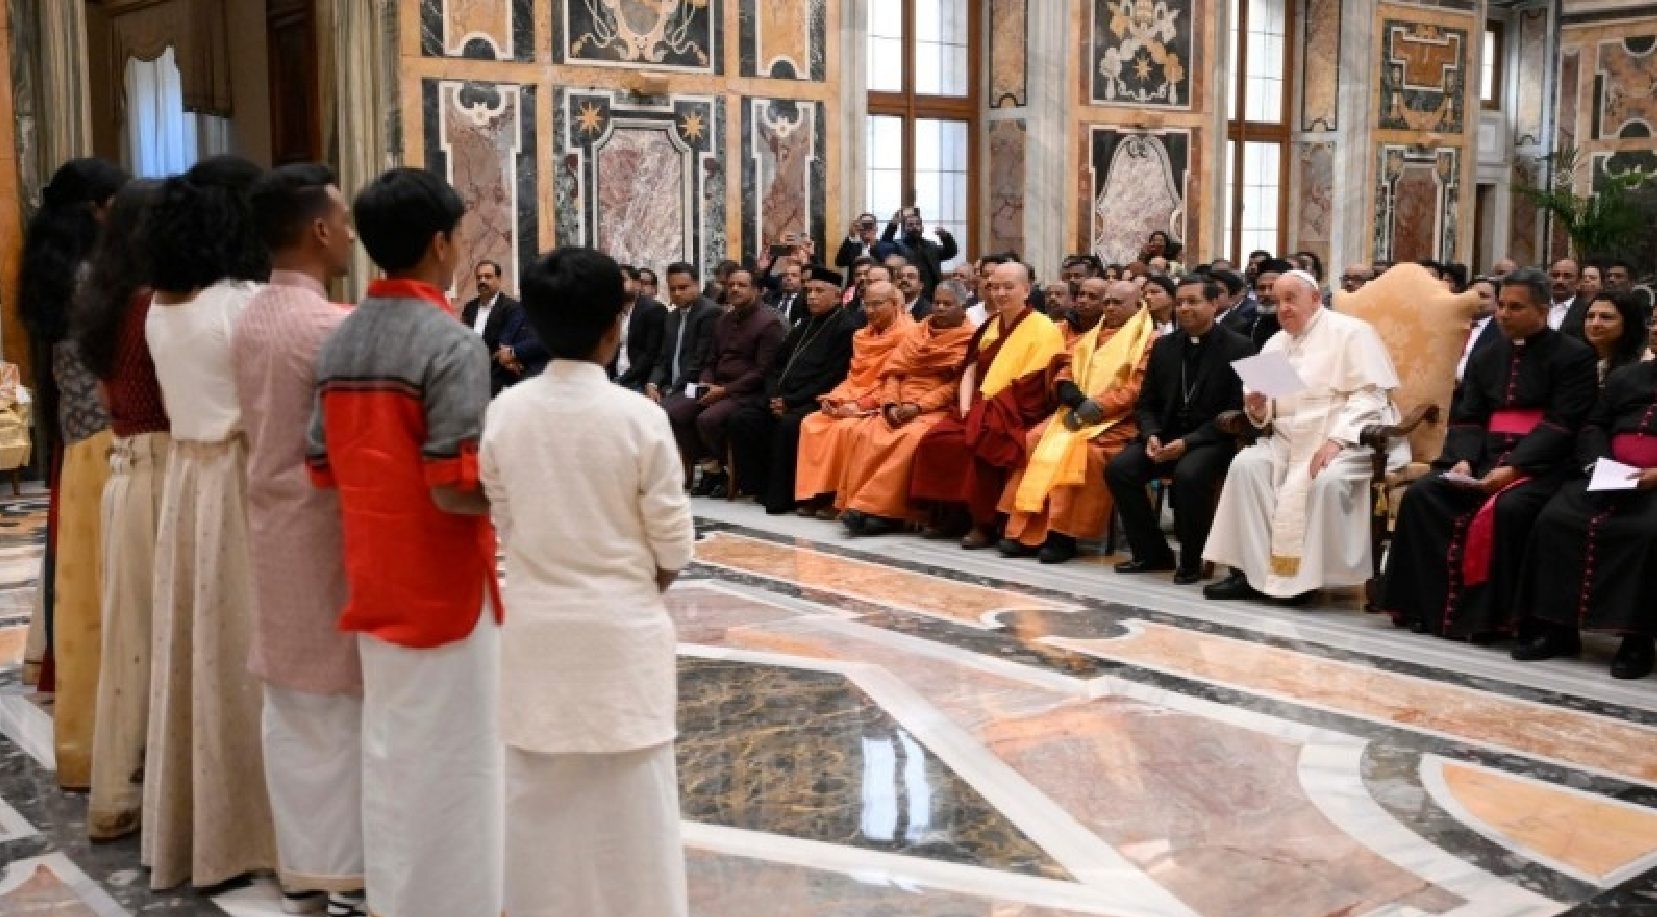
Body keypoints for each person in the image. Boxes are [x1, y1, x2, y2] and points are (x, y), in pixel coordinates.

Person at [307, 167, 503, 917]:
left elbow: (322, 465)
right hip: (443, 580)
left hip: (370, 571)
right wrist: (521, 492)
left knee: (391, 750)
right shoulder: (452, 344)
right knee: (460, 758)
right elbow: (454, 487)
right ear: (440, 244)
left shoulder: (341, 336)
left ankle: (396, 895)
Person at [481, 247, 694, 917]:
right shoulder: (639, 417)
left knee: (538, 800)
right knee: (633, 807)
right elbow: (673, 543)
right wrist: (634, 582)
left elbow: (504, 518)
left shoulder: (506, 413)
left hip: (535, 628)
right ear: (614, 326)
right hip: (621, 632)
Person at [142, 155, 278, 889]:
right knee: (246, 651)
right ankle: (255, 830)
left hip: (187, 480)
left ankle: (202, 825)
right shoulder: (242, 305)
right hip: (238, 477)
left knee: (198, 651)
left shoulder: (161, 308)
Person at [234, 163, 365, 914]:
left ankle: (305, 864)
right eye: (343, 220)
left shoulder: (249, 317)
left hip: (268, 522)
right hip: (324, 529)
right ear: (319, 229)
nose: (349, 233)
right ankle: (345, 870)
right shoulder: (329, 325)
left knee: (290, 707)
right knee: (339, 706)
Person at [1379, 268, 1598, 639]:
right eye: (1502, 306)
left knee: (1509, 509)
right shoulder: (1487, 356)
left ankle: (1492, 620)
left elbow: (1563, 423)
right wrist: (1463, 458)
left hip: (1542, 465)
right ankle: (1425, 608)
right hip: (1483, 458)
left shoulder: (1574, 356)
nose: (1504, 314)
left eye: (1516, 307)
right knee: (1423, 495)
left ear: (1542, 310)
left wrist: (1514, 468)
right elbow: (1469, 416)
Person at [18, 158, 128, 788]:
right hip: (106, 439)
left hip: (76, 436)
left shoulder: (54, 272)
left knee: (80, 574)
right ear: (97, 209)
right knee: (102, 580)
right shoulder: (95, 278)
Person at [1203, 269, 1405, 602]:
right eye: (1276, 301)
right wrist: (1257, 407)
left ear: (1315, 298)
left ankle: (1306, 580)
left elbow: (1371, 396)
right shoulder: (1276, 342)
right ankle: (1252, 573)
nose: (1282, 308)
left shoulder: (1352, 333)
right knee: (1246, 467)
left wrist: (1337, 440)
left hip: (1347, 440)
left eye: (1290, 299)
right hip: (1287, 440)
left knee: (1326, 481)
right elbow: (1269, 409)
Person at [69, 178, 163, 838]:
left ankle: (124, 785)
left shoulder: (103, 303)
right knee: (160, 635)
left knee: (129, 635)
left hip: (123, 469)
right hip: (160, 471)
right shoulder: (153, 308)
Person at [1512, 358, 1657, 679]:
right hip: (1608, 475)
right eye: (1655, 329)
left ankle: (1637, 640)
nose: (1656, 333)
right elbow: (1594, 425)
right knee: (1555, 520)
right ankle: (1557, 630)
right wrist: (1599, 463)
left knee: (1646, 532)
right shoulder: (1626, 375)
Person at [1108, 275, 1256, 583]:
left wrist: (1189, 442)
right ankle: (1152, 553)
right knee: (1119, 469)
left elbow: (1238, 411)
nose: (1184, 308)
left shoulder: (1241, 346)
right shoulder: (1164, 346)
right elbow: (1146, 403)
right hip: (1164, 437)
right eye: (1180, 303)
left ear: (1214, 304)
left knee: (1189, 475)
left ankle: (1191, 559)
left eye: (1193, 301)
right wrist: (1151, 435)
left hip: (1212, 440)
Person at [908, 261, 1066, 547]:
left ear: (1026, 290)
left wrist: (986, 409)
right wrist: (966, 407)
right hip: (978, 404)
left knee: (981, 444)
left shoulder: (1044, 329)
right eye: (995, 287)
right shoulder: (991, 326)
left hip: (1014, 410)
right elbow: (970, 369)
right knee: (936, 439)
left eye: (1009, 287)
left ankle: (984, 522)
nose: (1000, 293)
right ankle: (950, 514)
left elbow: (1033, 387)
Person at [998, 280, 1155, 563]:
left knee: (1081, 454)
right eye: (1107, 302)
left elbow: (1138, 388)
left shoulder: (1149, 340)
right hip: (1075, 412)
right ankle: (1024, 530)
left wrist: (1098, 407)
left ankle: (1062, 535)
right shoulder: (1091, 335)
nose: (1110, 308)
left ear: (1137, 304)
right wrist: (1070, 394)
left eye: (1117, 303)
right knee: (1034, 440)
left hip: (1117, 421)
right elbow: (1066, 369)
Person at [838, 283, 978, 536]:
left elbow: (955, 386)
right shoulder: (918, 331)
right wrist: (891, 403)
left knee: (910, 439)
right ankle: (863, 506)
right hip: (899, 402)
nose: (940, 309)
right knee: (867, 432)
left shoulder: (970, 338)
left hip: (935, 408)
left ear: (962, 307)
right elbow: (894, 372)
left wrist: (918, 406)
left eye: (948, 304)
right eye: (937, 303)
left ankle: (881, 512)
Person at [727, 265, 856, 513]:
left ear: (837, 295)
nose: (812, 297)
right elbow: (776, 365)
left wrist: (791, 401)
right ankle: (758, 486)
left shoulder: (846, 328)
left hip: (813, 399)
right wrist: (774, 395)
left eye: (819, 291)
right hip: (781, 397)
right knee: (742, 419)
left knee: (788, 425)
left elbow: (832, 377)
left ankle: (785, 496)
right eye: (809, 291)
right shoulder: (804, 324)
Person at [792, 279, 915, 514]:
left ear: (894, 304)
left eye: (877, 304)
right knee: (812, 422)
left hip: (884, 401)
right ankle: (819, 492)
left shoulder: (909, 334)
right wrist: (835, 399)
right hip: (853, 397)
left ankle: (841, 498)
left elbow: (896, 381)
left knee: (847, 429)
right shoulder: (861, 336)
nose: (870, 311)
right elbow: (855, 376)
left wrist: (861, 405)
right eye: (866, 305)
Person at [667, 268, 784, 496]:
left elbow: (762, 372)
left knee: (707, 419)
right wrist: (706, 383)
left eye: (741, 285)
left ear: (755, 290)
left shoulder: (769, 323)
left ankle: (732, 471)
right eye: (731, 285)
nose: (735, 289)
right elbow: (710, 360)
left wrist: (724, 390)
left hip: (745, 392)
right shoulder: (723, 319)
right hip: (715, 385)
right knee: (673, 411)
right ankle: (712, 469)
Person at [646, 262, 720, 412]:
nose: (677, 293)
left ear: (697, 285)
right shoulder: (671, 317)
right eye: (672, 289)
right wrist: (652, 384)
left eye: (683, 287)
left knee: (658, 412)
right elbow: (663, 358)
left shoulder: (709, 313)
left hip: (695, 386)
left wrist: (671, 392)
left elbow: (699, 362)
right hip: (670, 387)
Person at [462, 260, 526, 395]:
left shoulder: (512, 308)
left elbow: (507, 348)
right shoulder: (469, 308)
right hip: (470, 378)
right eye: (479, 277)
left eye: (488, 276)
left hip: (500, 381)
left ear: (499, 279)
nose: (482, 281)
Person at [878, 207, 957, 297]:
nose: (915, 227)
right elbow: (883, 247)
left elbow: (951, 252)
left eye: (918, 224)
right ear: (904, 229)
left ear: (922, 228)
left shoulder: (931, 245)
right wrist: (892, 226)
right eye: (910, 225)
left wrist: (946, 237)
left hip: (930, 293)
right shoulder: (897, 245)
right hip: (906, 291)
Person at [610, 280, 665, 391]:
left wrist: (622, 380)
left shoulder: (652, 309)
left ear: (636, 283)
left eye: (624, 279)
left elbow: (650, 354)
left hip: (637, 380)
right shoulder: (614, 310)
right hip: (614, 377)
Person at [1583, 291, 1649, 384]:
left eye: (1606, 317)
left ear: (1628, 323)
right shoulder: (1578, 360)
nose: (1595, 324)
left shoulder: (1644, 364)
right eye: (1590, 316)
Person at [1456, 276, 1501, 384]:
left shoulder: (1501, 332)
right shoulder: (1452, 322)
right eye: (1471, 295)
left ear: (1497, 302)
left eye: (1483, 296)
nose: (1476, 300)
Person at [1548, 258, 1590, 338]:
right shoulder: (1537, 306)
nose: (1559, 281)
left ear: (1579, 282)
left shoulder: (1587, 311)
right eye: (1555, 276)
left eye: (1567, 276)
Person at [1060, 277, 1107, 343]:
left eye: (1092, 297)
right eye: (1081, 295)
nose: (1083, 300)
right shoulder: (1061, 329)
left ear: (1104, 303)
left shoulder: (1111, 335)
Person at [766, 256, 805, 324]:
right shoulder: (770, 297)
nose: (789, 278)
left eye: (794, 275)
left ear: (801, 278)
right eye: (785, 275)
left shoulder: (805, 301)